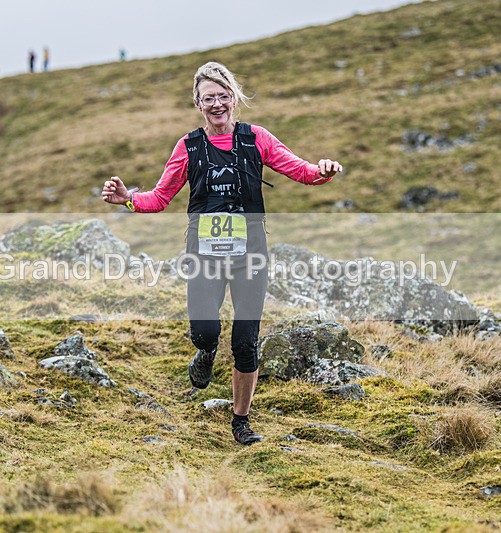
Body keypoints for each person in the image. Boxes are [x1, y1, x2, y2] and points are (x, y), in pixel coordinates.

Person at [101, 62, 342, 445]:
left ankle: (240, 422)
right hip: (204, 256)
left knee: (246, 341)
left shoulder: (256, 139)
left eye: (223, 96)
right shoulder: (188, 147)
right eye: (208, 98)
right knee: (205, 331)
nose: (217, 104)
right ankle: (205, 352)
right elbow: (161, 197)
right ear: (198, 104)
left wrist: (322, 171)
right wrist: (128, 199)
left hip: (251, 256)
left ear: (234, 98)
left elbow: (299, 170)